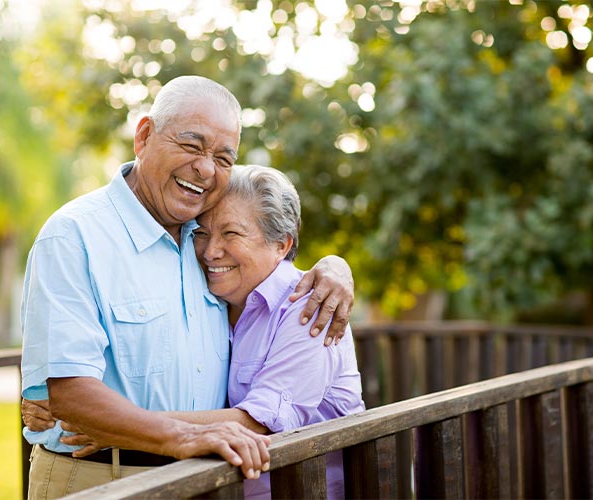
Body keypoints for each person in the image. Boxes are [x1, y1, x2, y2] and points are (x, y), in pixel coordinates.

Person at [20, 75, 355, 499]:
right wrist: (174, 435)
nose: (205, 168)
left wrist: (334, 267)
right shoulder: (74, 236)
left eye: (223, 157)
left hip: (205, 480)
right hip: (102, 479)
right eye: (192, 145)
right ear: (143, 136)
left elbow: (266, 257)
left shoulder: (201, 241)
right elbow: (70, 396)